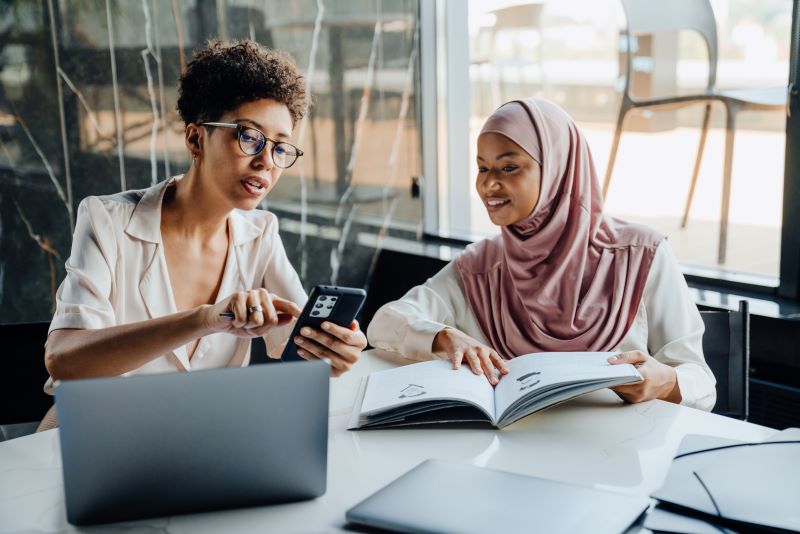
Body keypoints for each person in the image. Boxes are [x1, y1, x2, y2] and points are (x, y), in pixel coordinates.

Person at [42, 39, 367, 428]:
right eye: (249, 136)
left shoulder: (260, 234)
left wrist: (335, 350)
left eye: (281, 147)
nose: (266, 161)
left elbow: (300, 347)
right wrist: (205, 318)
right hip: (97, 434)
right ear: (196, 139)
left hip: (201, 442)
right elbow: (65, 359)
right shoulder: (106, 221)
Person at [367, 98, 715, 411]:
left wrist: (665, 381)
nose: (488, 185)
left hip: (619, 461)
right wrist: (444, 337)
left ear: (557, 170)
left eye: (509, 167)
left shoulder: (640, 256)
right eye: (482, 167)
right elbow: (385, 322)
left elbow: (701, 381)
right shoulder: (481, 267)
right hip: (511, 457)